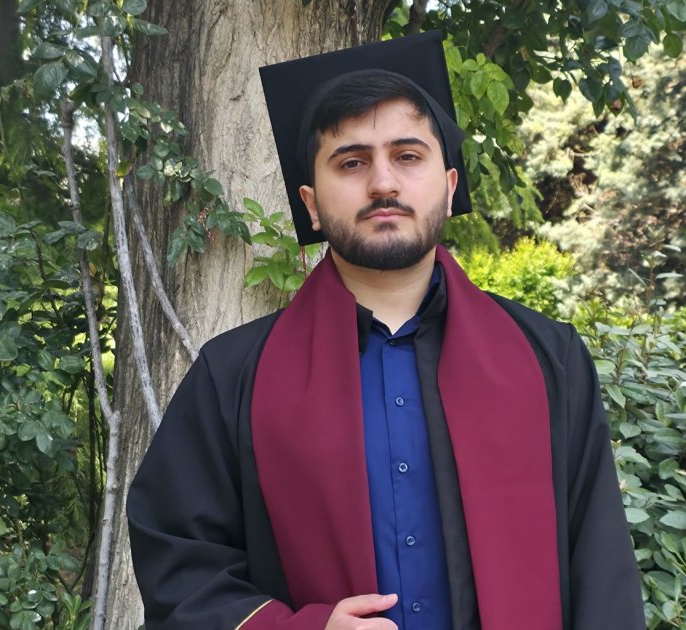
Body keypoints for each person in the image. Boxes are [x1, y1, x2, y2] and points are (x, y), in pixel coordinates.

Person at [127, 31, 645, 630]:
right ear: (310, 203)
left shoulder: (549, 358)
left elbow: (600, 564)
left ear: (449, 187)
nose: (383, 184)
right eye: (351, 162)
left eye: (407, 156)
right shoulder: (232, 375)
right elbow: (179, 561)